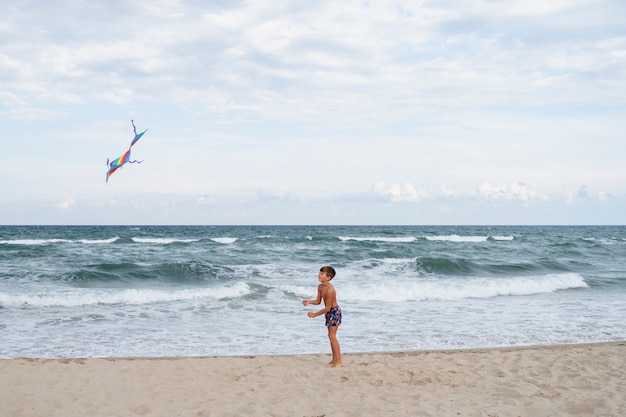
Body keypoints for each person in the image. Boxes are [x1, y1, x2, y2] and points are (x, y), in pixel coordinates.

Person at [302, 265, 343, 367]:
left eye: (321, 274)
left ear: (328, 277)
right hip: (329, 312)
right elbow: (318, 301)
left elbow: (328, 308)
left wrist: (314, 314)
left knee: (332, 336)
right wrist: (309, 302)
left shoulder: (330, 290)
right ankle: (334, 360)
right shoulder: (320, 287)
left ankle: (339, 361)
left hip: (334, 312)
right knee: (330, 336)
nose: (319, 275)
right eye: (319, 273)